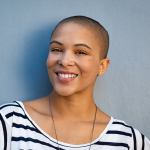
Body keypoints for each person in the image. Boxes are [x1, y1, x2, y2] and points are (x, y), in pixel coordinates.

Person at [0, 16, 150, 150]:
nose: (64, 61)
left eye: (80, 52)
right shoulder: (8, 122)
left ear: (102, 66)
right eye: (56, 49)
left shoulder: (129, 141)